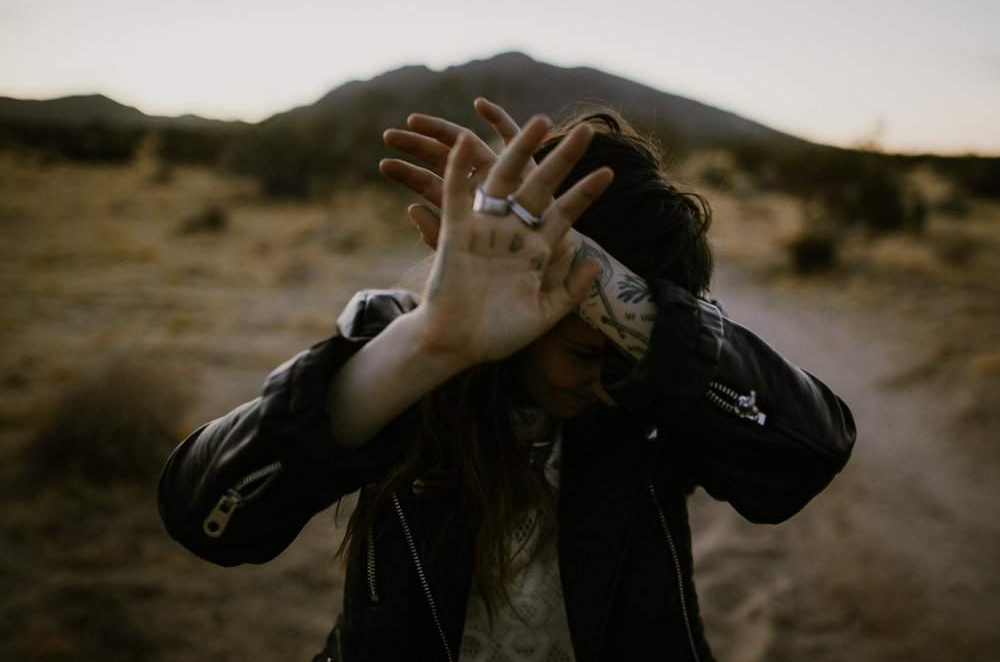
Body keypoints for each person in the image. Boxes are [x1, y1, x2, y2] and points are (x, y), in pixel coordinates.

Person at [158, 98, 856, 662]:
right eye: (588, 353)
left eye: (633, 351)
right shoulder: (411, 352)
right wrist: (427, 346)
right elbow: (207, 517)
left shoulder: (652, 396)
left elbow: (808, 455)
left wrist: (626, 305)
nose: (608, 385)